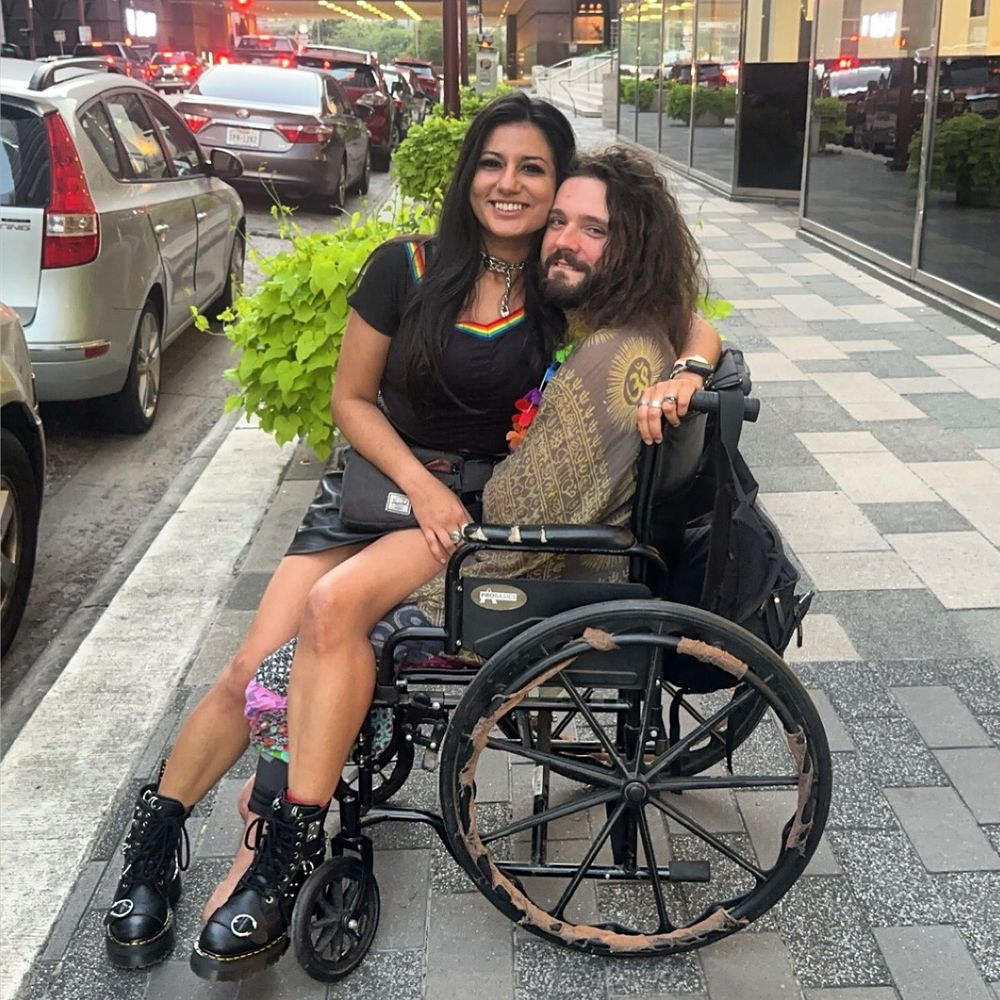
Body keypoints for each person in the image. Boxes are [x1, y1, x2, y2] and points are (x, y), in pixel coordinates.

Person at [219, 142, 722, 974]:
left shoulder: (612, 357)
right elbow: (691, 318)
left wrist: (440, 510)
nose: (563, 238)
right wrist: (696, 360)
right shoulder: (616, 320)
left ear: (630, 243)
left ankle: (285, 840)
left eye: (591, 228)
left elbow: (520, 518)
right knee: (286, 643)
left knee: (330, 612)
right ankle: (270, 809)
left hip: (514, 569)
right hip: (503, 534)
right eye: (560, 220)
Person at [104, 91, 577, 974]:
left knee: (330, 611)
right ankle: (152, 853)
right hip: (371, 491)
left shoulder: (561, 288)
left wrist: (694, 364)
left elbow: (676, 316)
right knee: (250, 669)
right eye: (493, 162)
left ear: (558, 186)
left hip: (462, 513)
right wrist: (413, 483)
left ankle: (278, 864)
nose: (508, 184)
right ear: (469, 170)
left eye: (533, 169)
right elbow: (350, 400)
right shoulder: (405, 264)